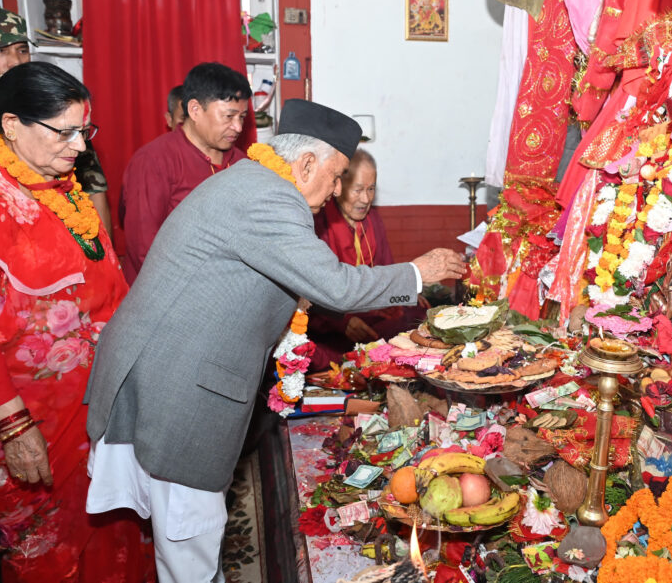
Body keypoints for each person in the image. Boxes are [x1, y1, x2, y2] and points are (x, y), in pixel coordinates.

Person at [84, 98, 466, 582]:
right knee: (190, 542)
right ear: (306, 162)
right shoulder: (269, 196)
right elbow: (337, 286)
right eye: (338, 175)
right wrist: (418, 271)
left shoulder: (252, 182)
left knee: (184, 540)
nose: (337, 190)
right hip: (178, 388)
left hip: (165, 368)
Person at [0, 62, 154, 582]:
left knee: (110, 521)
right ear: (11, 125)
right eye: (65, 131)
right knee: (48, 547)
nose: (80, 146)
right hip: (23, 418)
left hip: (87, 406)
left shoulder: (57, 184)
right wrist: (15, 429)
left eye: (86, 130)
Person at [0, 5, 113, 234]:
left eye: (22, 50)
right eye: (0, 50)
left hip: (46, 234)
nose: (15, 61)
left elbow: (93, 187)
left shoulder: (50, 105)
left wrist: (105, 259)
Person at [121, 62, 249, 282]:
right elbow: (144, 248)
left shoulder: (242, 163)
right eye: (229, 116)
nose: (238, 127)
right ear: (195, 110)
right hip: (167, 291)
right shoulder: (155, 161)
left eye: (243, 117)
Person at [309, 148, 427, 369]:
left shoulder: (373, 220)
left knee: (420, 315)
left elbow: (388, 269)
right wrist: (341, 321)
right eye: (358, 190)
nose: (365, 199)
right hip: (333, 321)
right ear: (338, 186)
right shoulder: (320, 222)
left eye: (371, 189)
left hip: (373, 312)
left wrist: (406, 288)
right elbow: (312, 287)